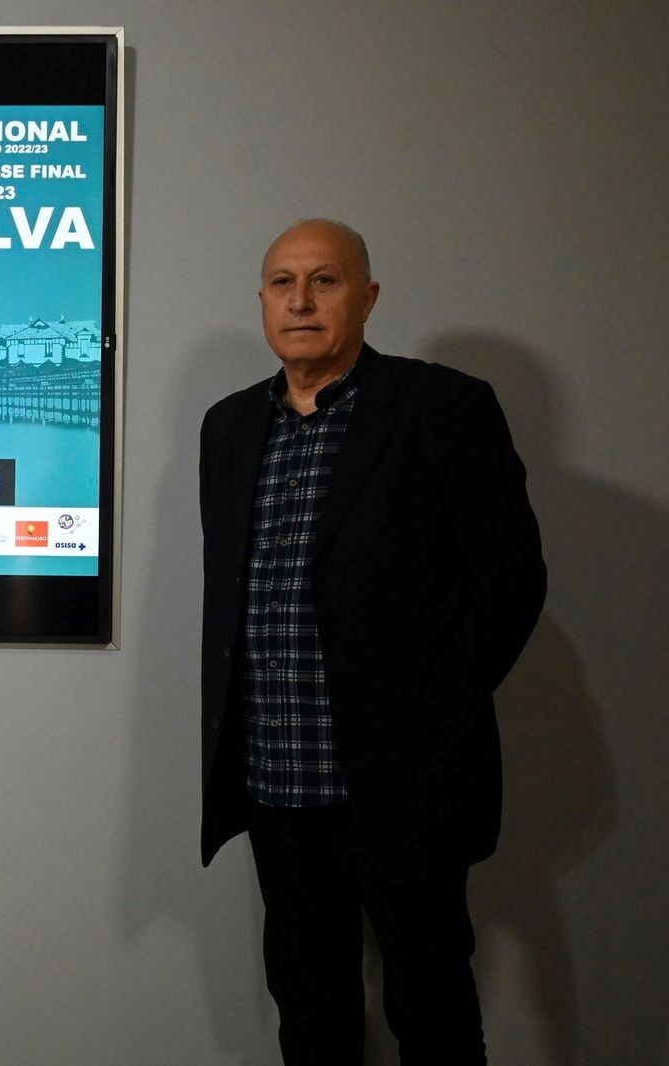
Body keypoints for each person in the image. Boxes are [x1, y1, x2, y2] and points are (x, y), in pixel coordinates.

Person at [197, 220, 545, 1064]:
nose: (302, 301)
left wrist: (432, 710)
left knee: (430, 1008)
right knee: (309, 1010)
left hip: (401, 784)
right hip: (276, 782)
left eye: (325, 280)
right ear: (263, 301)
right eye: (283, 283)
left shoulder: (443, 409)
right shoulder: (231, 427)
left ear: (368, 296)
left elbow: (511, 585)